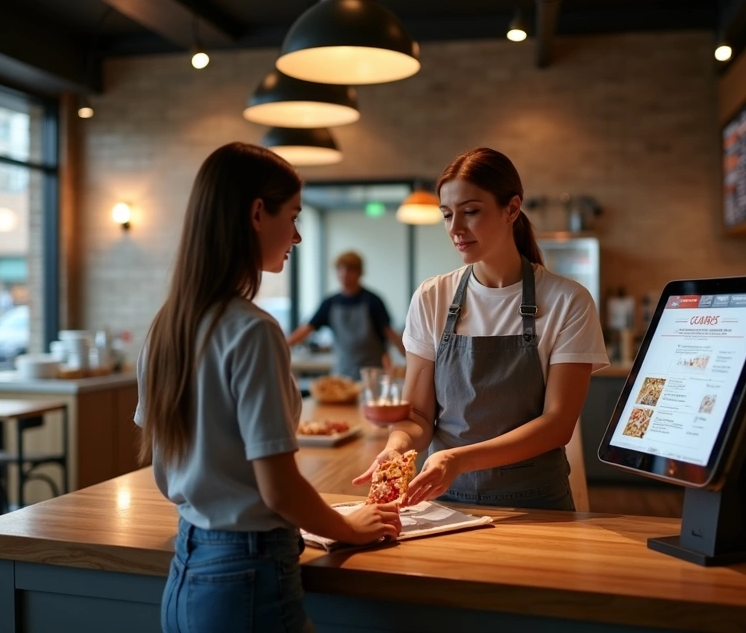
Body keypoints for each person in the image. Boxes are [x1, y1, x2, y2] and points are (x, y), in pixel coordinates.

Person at [134, 142, 401, 633]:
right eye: (294, 216)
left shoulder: (165, 327)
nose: (297, 235)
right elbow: (278, 488)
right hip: (247, 574)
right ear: (258, 213)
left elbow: (161, 464)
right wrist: (348, 527)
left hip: (186, 568)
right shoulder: (253, 331)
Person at [354, 147, 609, 511]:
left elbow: (558, 424)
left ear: (512, 209)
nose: (455, 229)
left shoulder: (568, 300)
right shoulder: (432, 297)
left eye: (470, 212)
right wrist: (396, 447)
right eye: (447, 215)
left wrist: (457, 459)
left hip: (536, 504)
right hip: (443, 501)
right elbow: (419, 418)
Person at [286, 251, 406, 380]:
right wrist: (282, 345)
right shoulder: (330, 303)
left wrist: (408, 357)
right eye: (340, 270)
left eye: (350, 270)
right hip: (342, 373)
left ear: (359, 273)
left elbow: (389, 333)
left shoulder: (373, 301)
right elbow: (307, 329)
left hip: (372, 374)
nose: (344, 274)